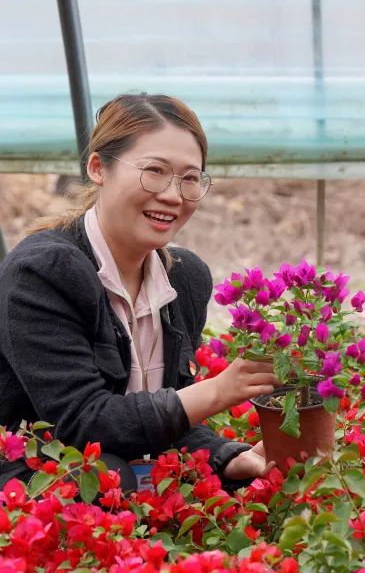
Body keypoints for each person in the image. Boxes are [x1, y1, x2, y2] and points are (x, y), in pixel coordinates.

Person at [0, 93, 280, 490]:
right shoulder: (43, 273)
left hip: (127, 482)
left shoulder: (185, 279)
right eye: (155, 170)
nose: (172, 194)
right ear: (98, 168)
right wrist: (219, 390)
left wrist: (228, 456)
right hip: (36, 481)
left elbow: (168, 418)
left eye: (189, 178)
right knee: (109, 475)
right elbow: (83, 424)